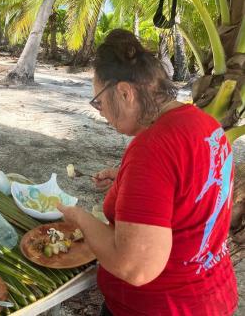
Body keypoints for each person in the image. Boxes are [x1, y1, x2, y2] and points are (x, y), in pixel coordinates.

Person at [58, 29, 237, 315]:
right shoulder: (206, 125)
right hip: (212, 297)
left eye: (99, 102)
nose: (101, 113)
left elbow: (135, 267)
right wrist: (129, 180)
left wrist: (78, 217)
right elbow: (192, 187)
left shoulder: (152, 148)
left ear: (125, 92)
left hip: (164, 306)